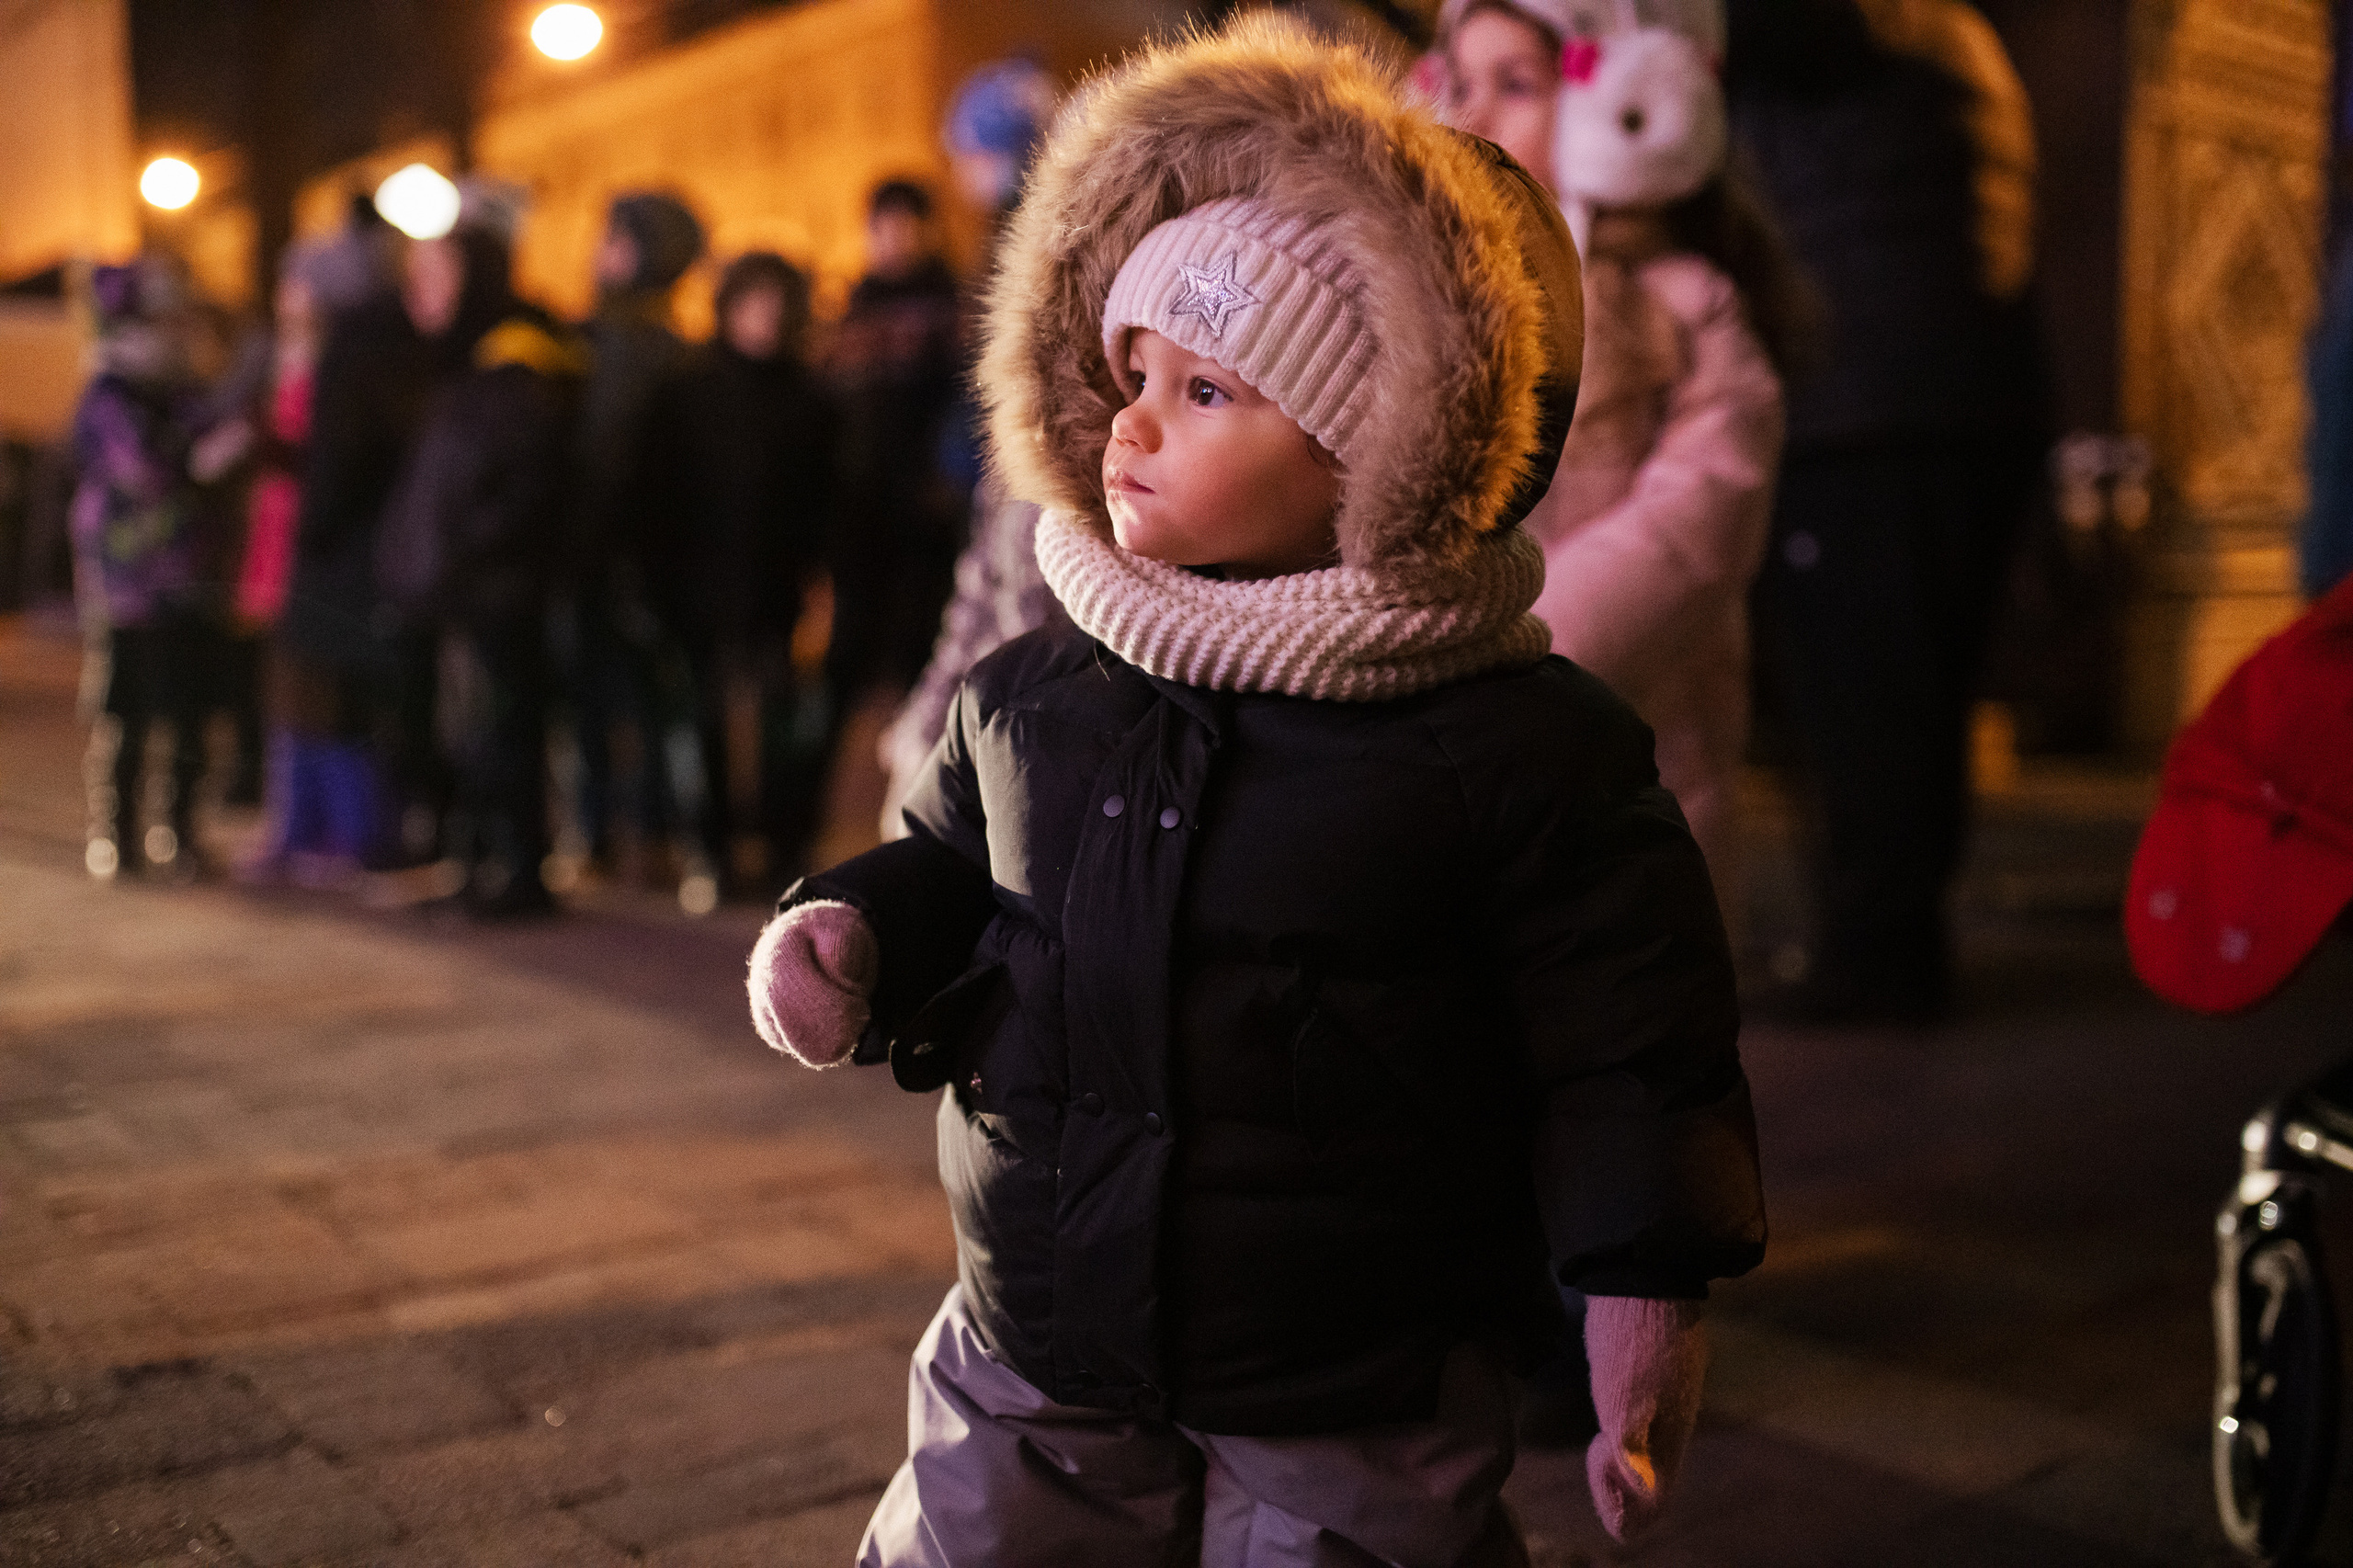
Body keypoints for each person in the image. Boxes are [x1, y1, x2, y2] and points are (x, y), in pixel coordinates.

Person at [746, 20, 1765, 1562]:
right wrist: (852, 930)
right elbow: (952, 858)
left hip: (1350, 1365)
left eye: (1208, 391)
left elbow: (1628, 1041)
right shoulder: (1038, 686)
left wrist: (1639, 1289)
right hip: (1042, 1333)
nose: (1134, 422)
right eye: (1131, 373)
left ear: (1376, 449)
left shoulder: (1507, 744)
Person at [1438, 0, 1799, 919]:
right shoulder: (1441, 303)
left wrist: (1515, 654)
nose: (1472, 117)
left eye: (1517, 85)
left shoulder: (1685, 304)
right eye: (1462, 83)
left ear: (1632, 105)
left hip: (1629, 743)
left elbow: (1697, 521)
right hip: (1456, 742)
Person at [1727, 0, 2046, 1021]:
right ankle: (1887, 943)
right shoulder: (1949, 31)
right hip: (1947, 398)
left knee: (1867, 702)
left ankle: (1877, 964)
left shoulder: (1874, 19)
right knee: (1905, 697)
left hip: (1869, 405)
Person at [376, 186, 586, 917]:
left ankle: (517, 870)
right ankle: (479, 864)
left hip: (499, 591)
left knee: (506, 730)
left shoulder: (517, 357)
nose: (420, 292)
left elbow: (521, 484)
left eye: (437, 275)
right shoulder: (460, 361)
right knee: (469, 732)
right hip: (466, 588)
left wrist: (471, 553)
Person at [639, 251, 839, 897]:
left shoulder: (808, 398)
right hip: (696, 584)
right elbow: (657, 493)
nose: (766, 318)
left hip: (775, 584)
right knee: (699, 723)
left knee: (783, 721)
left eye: (777, 305)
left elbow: (824, 496)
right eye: (753, 303)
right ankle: (711, 849)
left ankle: (783, 848)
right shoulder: (686, 391)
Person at [563, 191, 705, 875]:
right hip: (637, 547)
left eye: (612, 239)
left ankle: (614, 830)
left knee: (613, 691)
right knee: (632, 692)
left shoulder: (617, 346)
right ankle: (635, 829)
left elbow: (605, 454)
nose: (598, 251)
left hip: (612, 546)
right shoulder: (658, 346)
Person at [70, 258, 217, 880]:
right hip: (125, 581)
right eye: (163, 317)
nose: (176, 329)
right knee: (125, 710)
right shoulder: (109, 393)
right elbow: (140, 470)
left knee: (188, 706)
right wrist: (194, 455)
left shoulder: (184, 389)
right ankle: (119, 834)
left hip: (187, 571)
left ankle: (180, 831)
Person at [826, 180, 967, 707]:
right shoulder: (854, 306)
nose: (893, 238)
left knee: (922, 635)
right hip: (863, 498)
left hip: (929, 498)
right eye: (882, 225)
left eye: (905, 224)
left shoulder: (953, 305)